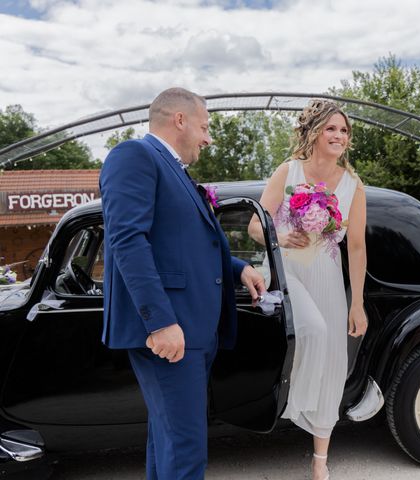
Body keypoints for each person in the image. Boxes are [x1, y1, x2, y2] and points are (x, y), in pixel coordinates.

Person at [100, 87, 265, 480]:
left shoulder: (176, 170)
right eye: (205, 126)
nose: (208, 137)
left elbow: (185, 245)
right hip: (171, 329)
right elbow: (126, 240)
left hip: (193, 329)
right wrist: (159, 322)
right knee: (186, 450)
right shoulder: (134, 156)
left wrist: (238, 267)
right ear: (180, 120)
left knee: (170, 439)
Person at [248, 99, 367, 480]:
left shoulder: (353, 186)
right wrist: (280, 235)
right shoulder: (289, 171)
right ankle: (291, 404)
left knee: (333, 362)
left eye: (344, 131)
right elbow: (255, 225)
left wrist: (357, 303)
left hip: (329, 278)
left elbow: (357, 246)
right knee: (312, 331)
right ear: (314, 131)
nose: (339, 136)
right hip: (288, 275)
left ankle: (319, 462)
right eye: (332, 128)